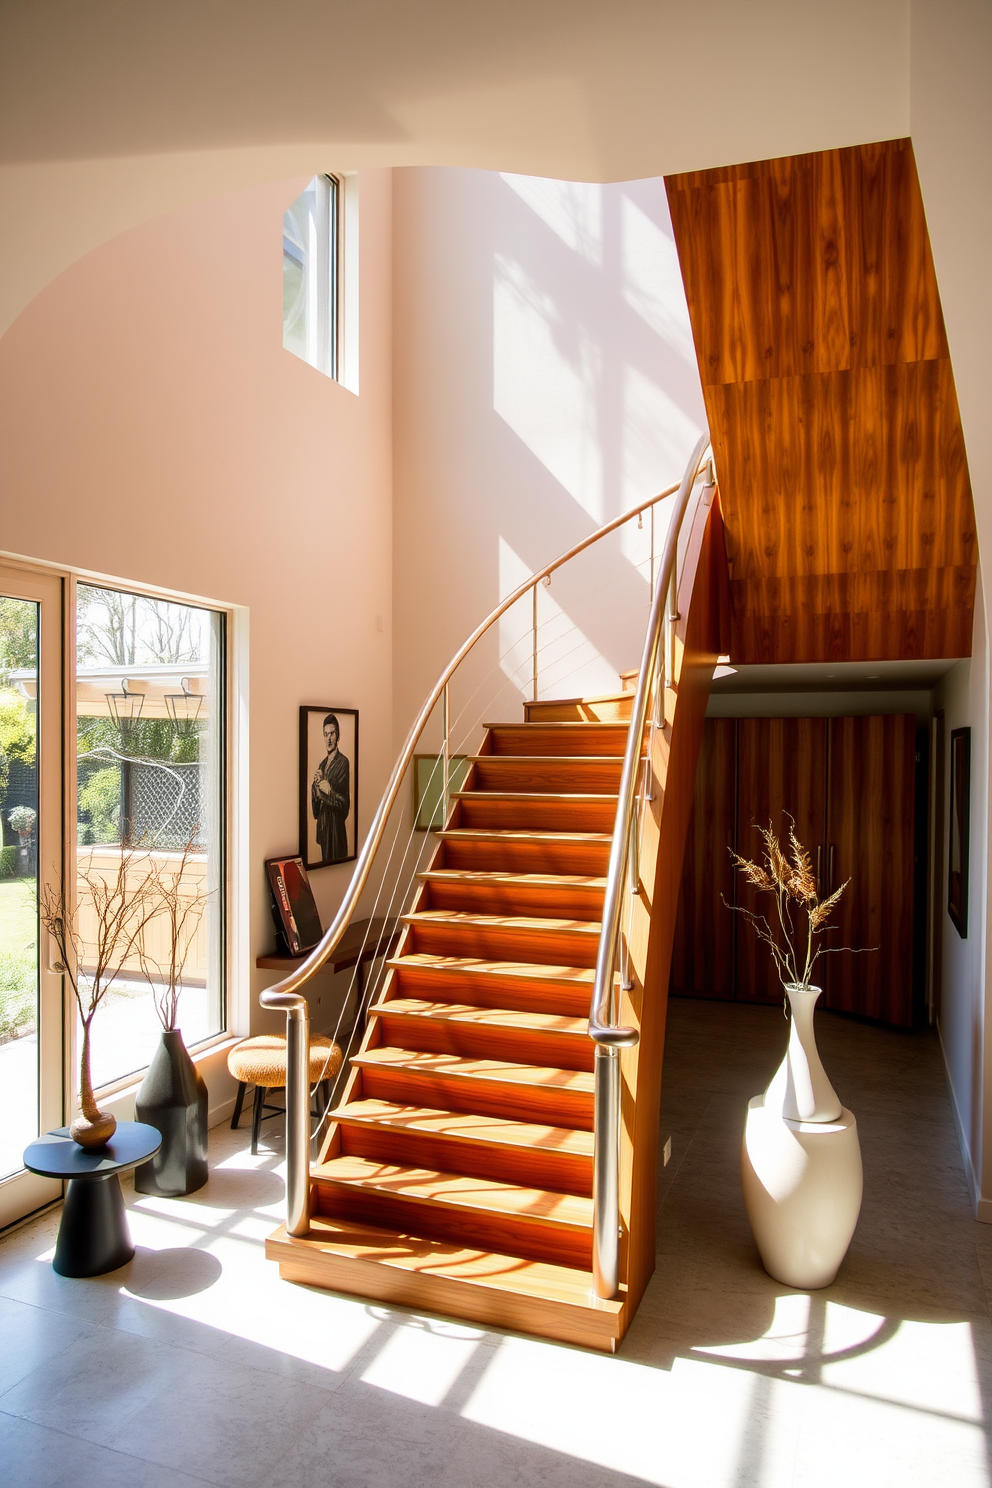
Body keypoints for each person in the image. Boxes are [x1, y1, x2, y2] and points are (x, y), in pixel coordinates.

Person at [311, 713, 350, 862]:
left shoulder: (343, 762)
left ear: (338, 736)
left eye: (332, 733)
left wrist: (329, 791)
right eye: (326, 734)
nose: (329, 738)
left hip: (336, 831)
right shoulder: (322, 765)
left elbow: (344, 804)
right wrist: (315, 786)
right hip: (323, 831)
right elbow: (316, 811)